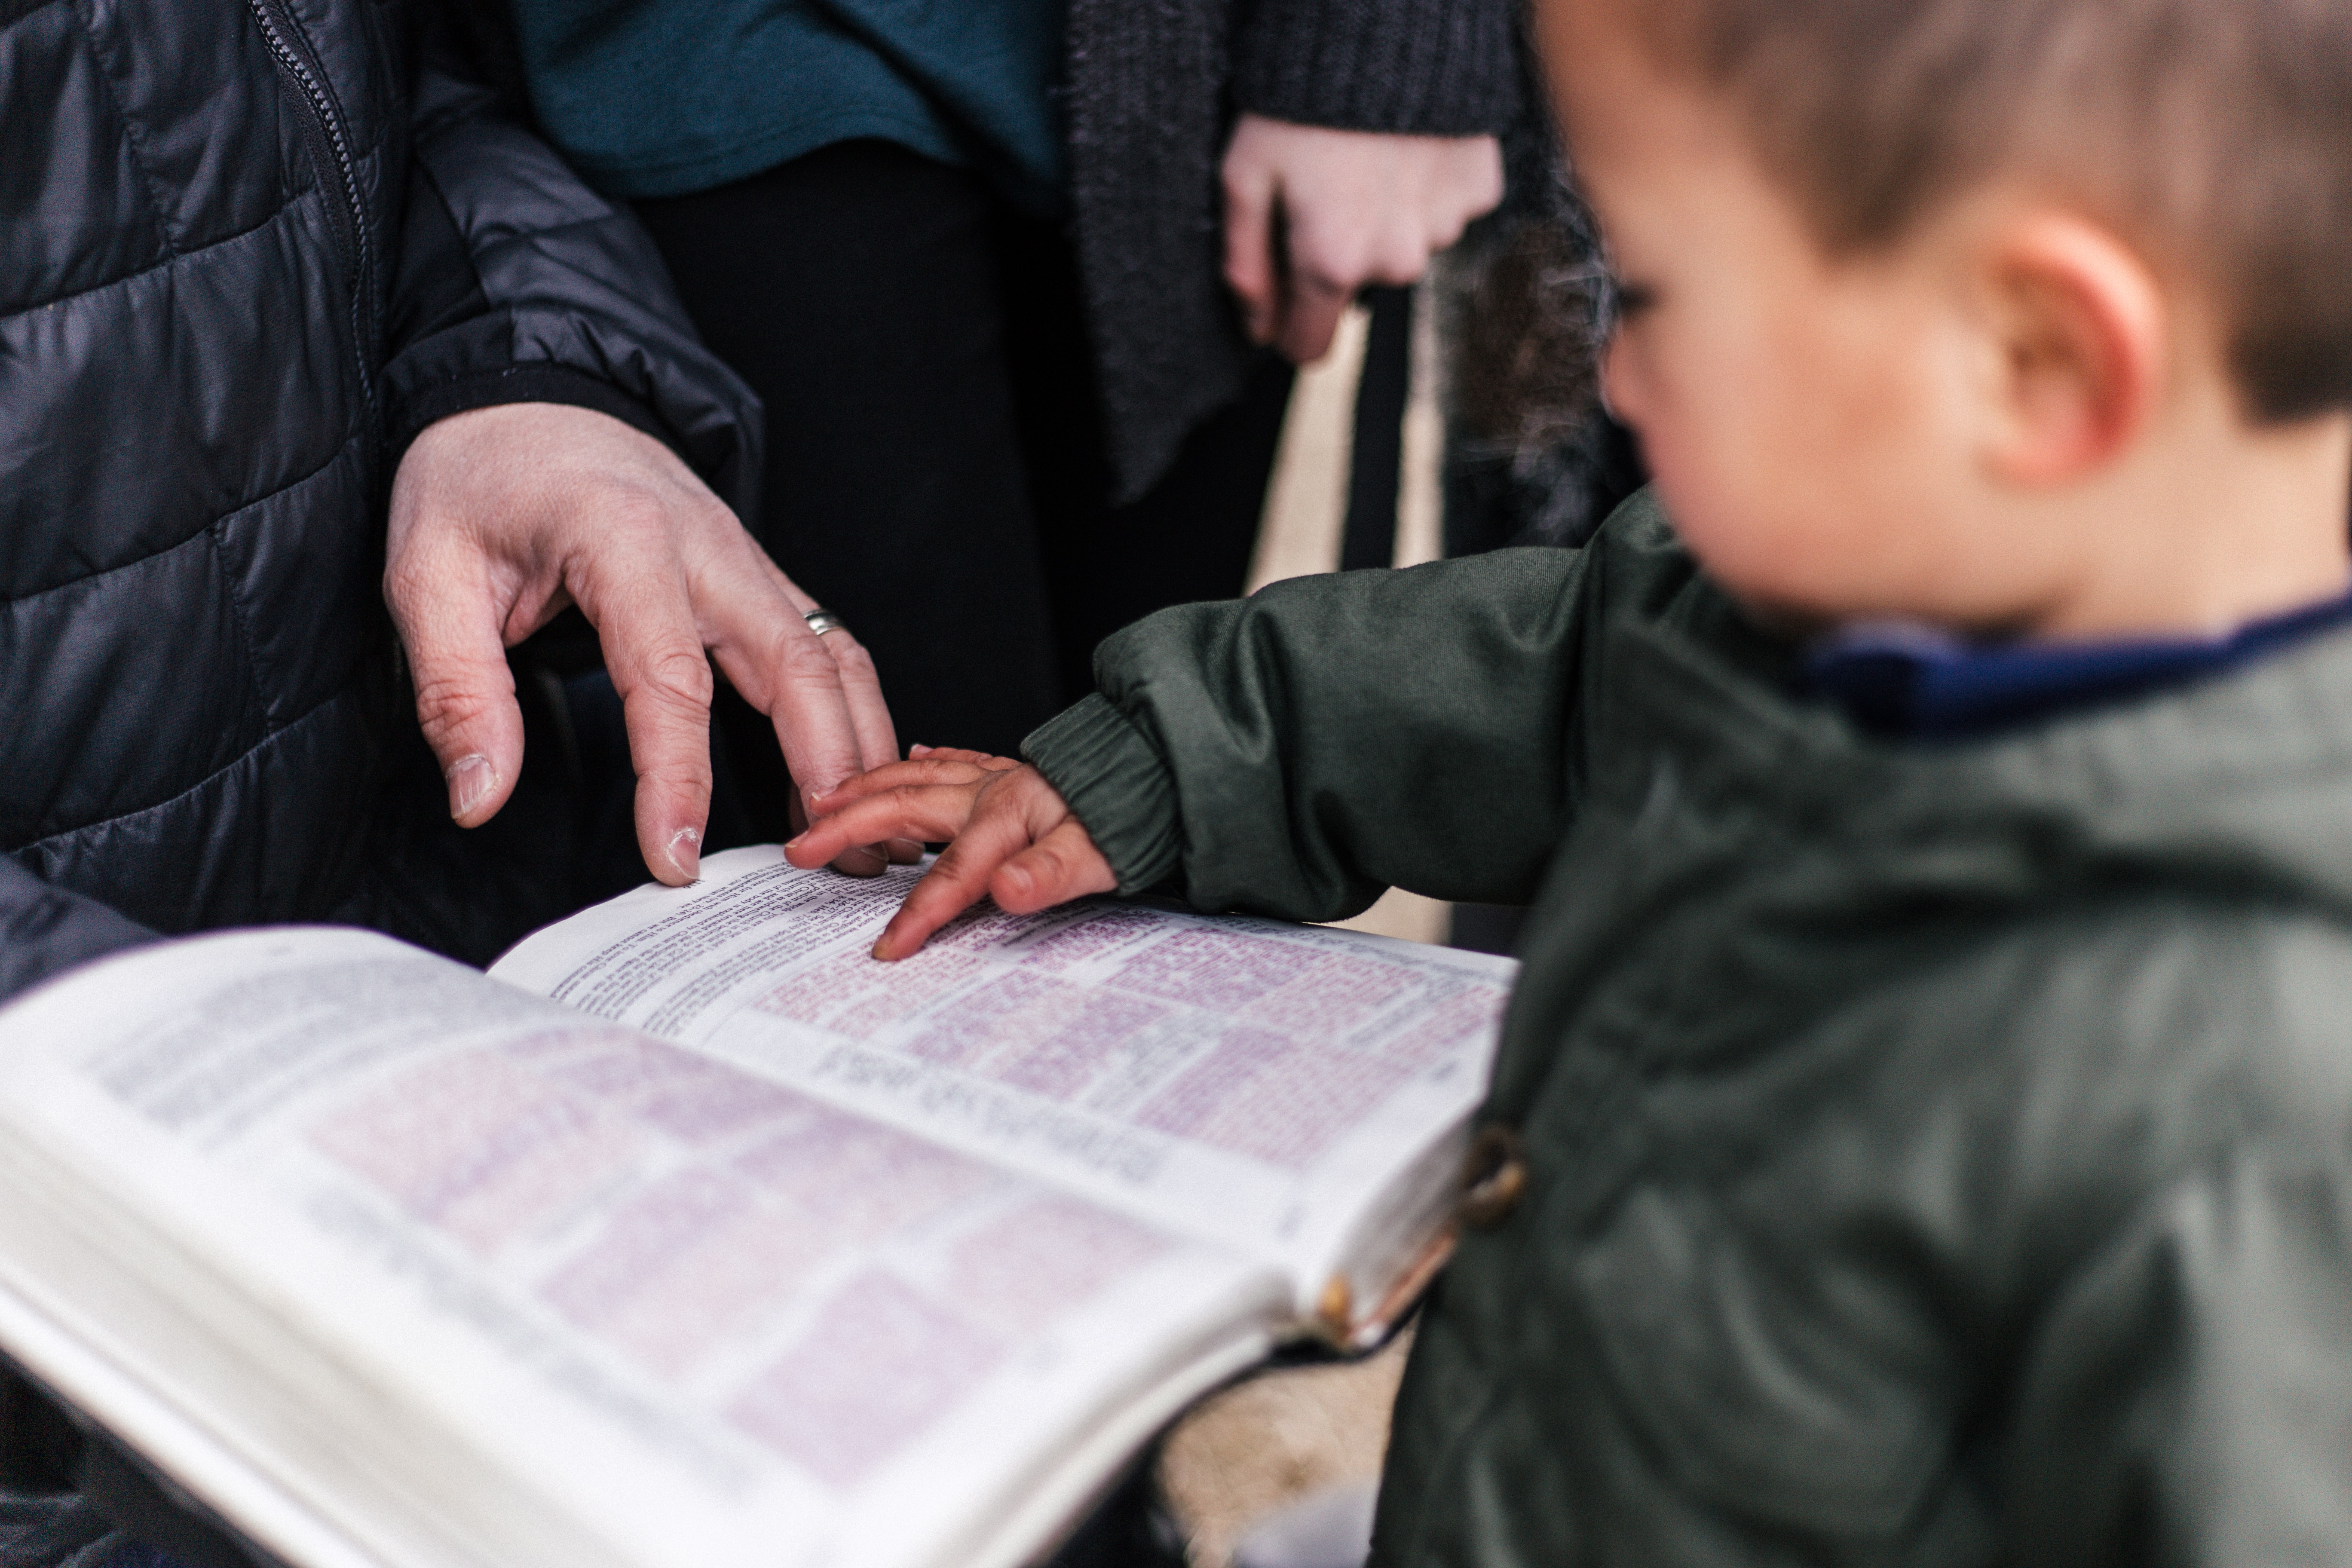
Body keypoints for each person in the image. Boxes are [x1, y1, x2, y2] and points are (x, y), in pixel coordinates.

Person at [788, 0, 2352, 1559]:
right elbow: (1534, 668)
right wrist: (1160, 761)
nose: (1609, 382)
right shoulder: (1797, 599)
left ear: (2037, 361)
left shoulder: (2250, 1130)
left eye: (1653, 295)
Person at [1, 0, 900, 1558]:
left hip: (415, 950)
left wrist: (525, 375)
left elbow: (390, 87)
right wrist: (186, 1094)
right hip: (116, 1233)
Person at [486, 0, 1519, 767]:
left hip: (1177, 85)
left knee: (1126, 814)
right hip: (712, 61)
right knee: (872, 868)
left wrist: (1388, 37)